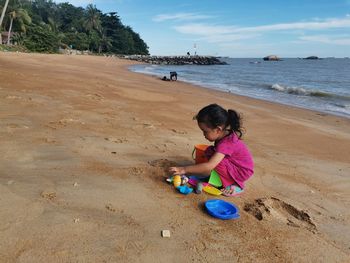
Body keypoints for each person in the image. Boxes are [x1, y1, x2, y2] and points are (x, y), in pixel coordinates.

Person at [169, 103, 254, 196]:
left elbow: (210, 165)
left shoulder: (226, 143)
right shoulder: (224, 135)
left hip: (242, 171)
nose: (203, 134)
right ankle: (219, 177)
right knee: (210, 151)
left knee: (217, 162)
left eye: (205, 131)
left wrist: (184, 169)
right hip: (235, 166)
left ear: (218, 129)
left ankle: (234, 184)